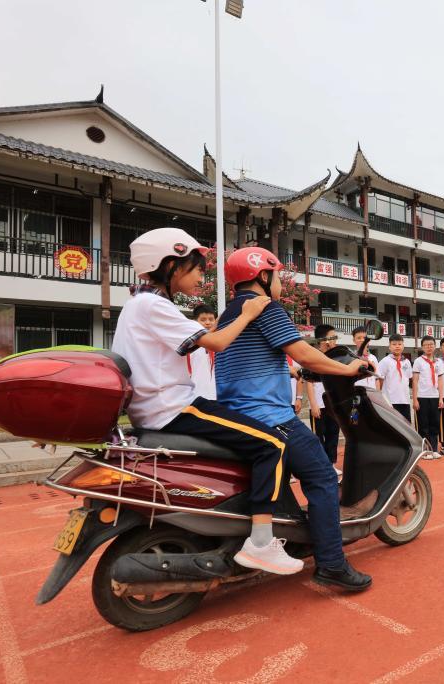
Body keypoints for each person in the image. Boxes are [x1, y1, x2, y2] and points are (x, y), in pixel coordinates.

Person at [111, 229, 304, 576]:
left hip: (157, 408)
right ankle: (261, 542)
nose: (201, 276)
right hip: (173, 407)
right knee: (274, 443)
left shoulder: (137, 305)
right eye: (196, 267)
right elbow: (216, 343)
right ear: (171, 265)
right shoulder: (153, 305)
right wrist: (248, 313)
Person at [215, 246, 372, 590]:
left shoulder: (229, 313)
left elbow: (270, 362)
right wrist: (348, 368)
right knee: (323, 476)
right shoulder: (264, 306)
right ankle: (332, 563)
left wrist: (304, 372)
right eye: (277, 277)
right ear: (262, 275)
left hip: (237, 416)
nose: (280, 285)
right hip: (269, 416)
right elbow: (304, 354)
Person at [311, 324, 341, 464]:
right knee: (319, 436)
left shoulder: (336, 357)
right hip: (319, 404)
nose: (335, 340)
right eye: (332, 337)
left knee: (333, 434)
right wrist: (313, 404)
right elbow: (309, 382)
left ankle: (331, 464)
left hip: (333, 404)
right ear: (323, 340)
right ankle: (321, 464)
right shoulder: (313, 355)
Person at [411, 335, 443, 455]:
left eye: (431, 345)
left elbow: (440, 381)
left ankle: (433, 449)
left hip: (435, 397)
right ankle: (424, 450)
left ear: (435, 346)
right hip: (422, 397)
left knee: (434, 424)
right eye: (426, 345)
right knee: (423, 424)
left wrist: (441, 398)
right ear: (422, 347)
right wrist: (415, 399)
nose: (429, 347)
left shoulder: (438, 362)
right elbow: (415, 381)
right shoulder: (418, 361)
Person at [380, 334, 413, 420]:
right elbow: (379, 380)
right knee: (391, 425)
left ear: (403, 346)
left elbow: (408, 378)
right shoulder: (385, 361)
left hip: (405, 400)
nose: (397, 346)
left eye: (399, 344)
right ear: (389, 347)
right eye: (394, 344)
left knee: (405, 424)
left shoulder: (407, 362)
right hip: (390, 401)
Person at [189, 304, 218, 400]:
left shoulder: (219, 344)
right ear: (195, 321)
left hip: (215, 395)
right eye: (203, 320)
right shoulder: (189, 345)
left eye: (211, 319)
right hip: (194, 395)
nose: (208, 323)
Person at [352, 326, 382, 392]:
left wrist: (378, 393)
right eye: (359, 338)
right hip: (357, 393)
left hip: (372, 392)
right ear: (354, 340)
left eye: (364, 338)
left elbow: (376, 378)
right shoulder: (351, 357)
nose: (362, 340)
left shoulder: (373, 358)